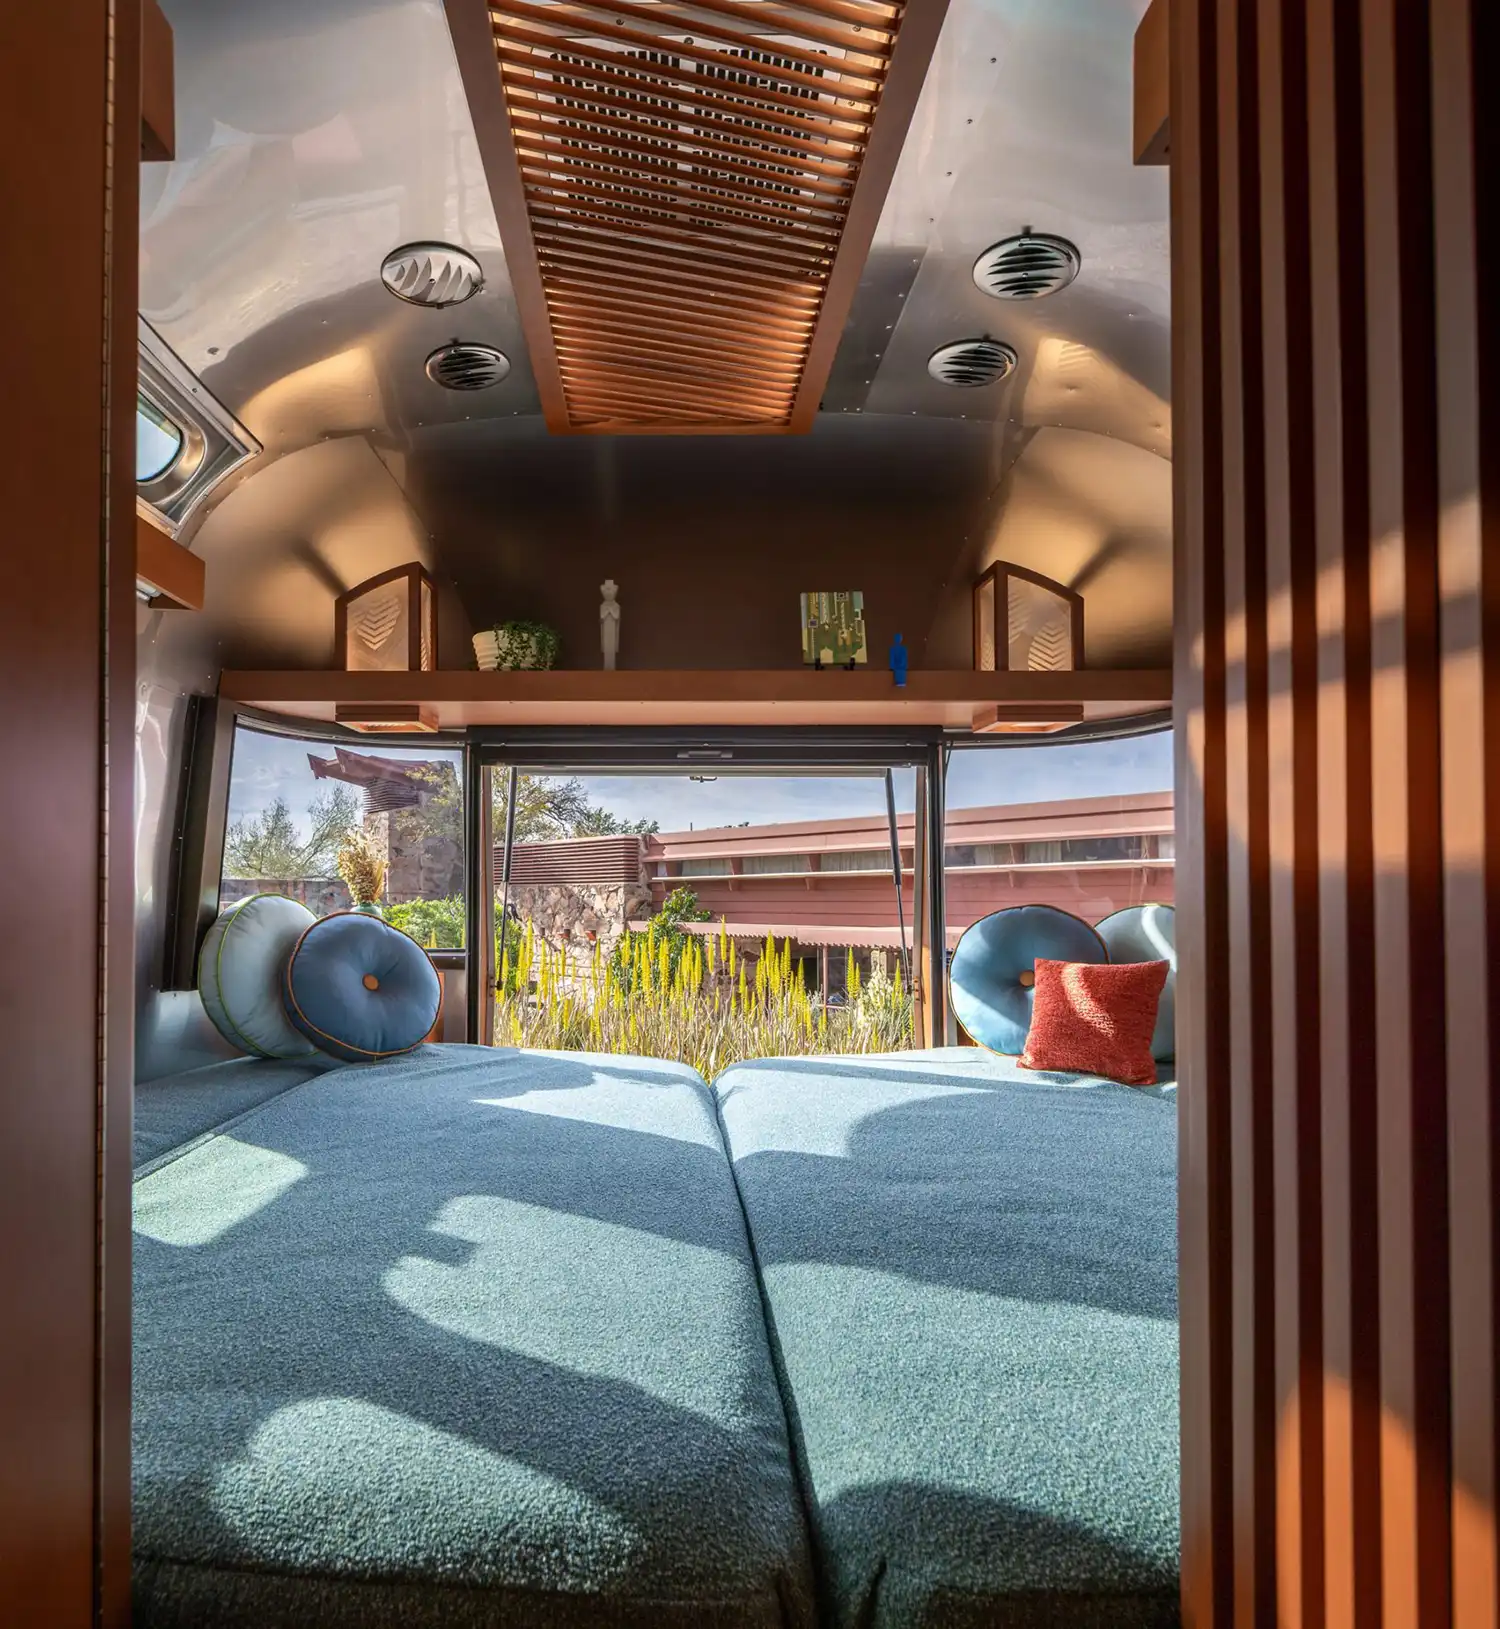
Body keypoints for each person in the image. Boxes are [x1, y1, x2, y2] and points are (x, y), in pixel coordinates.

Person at [600, 579, 621, 670]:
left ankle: (612, 667)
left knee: (611, 649)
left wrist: (610, 611)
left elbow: (616, 617)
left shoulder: (616, 606)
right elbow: (601, 617)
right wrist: (606, 612)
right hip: (606, 628)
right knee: (606, 648)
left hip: (612, 628)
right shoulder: (602, 605)